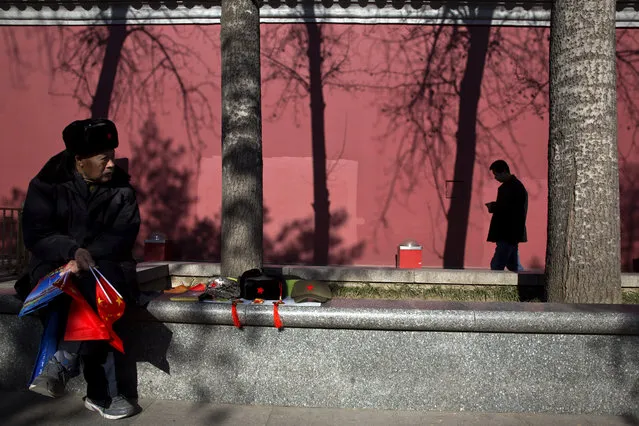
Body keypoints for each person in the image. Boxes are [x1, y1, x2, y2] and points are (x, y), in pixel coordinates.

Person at [15, 118, 141, 420]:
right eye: (104, 158)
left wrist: (86, 257)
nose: (112, 164)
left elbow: (122, 235)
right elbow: (37, 234)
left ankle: (62, 360)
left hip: (105, 267)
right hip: (54, 267)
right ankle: (105, 395)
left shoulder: (122, 190)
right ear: (79, 161)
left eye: (113, 154)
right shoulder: (46, 185)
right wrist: (71, 253)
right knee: (81, 293)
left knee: (98, 290)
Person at [485, 159, 528, 272]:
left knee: (497, 264)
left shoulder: (513, 187)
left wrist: (493, 207)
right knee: (513, 265)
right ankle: (525, 285)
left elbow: (508, 208)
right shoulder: (514, 186)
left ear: (504, 171)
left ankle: (494, 287)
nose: (495, 177)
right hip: (511, 231)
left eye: (496, 174)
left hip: (507, 231)